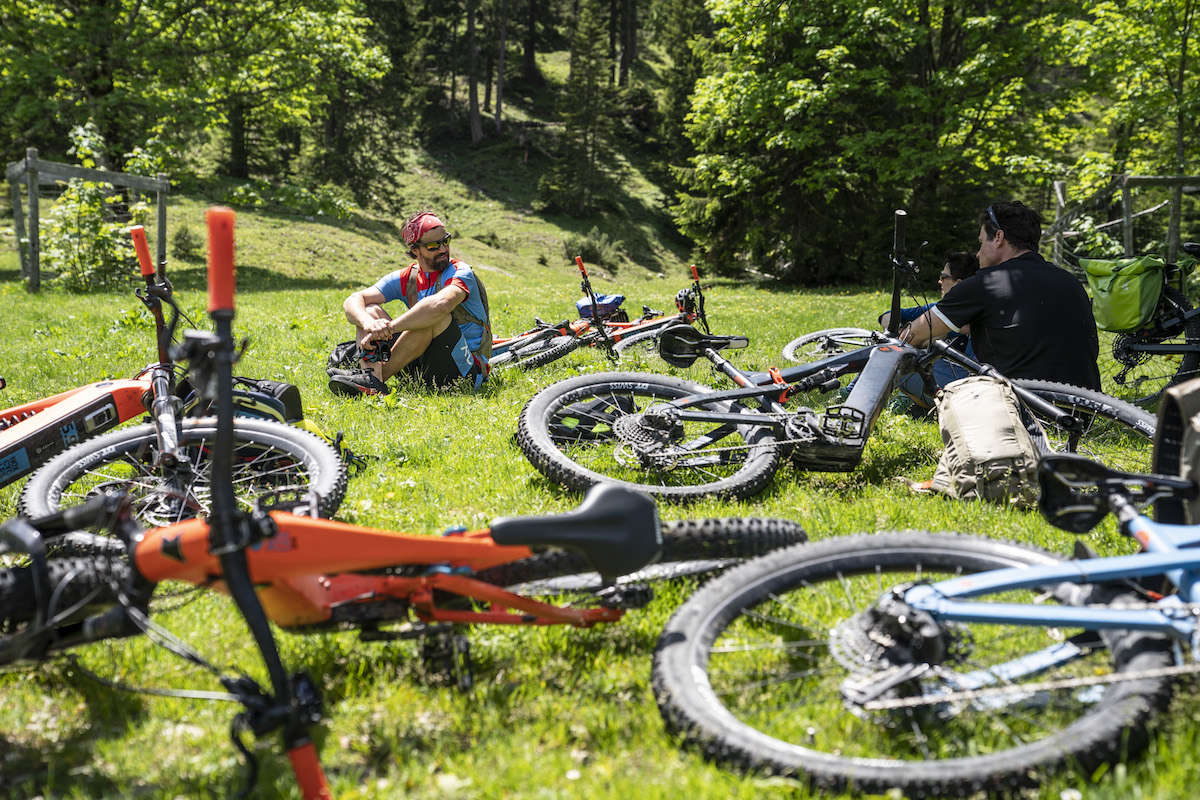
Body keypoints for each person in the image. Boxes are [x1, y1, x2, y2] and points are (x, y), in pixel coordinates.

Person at [902, 200, 1102, 391]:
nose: (978, 254)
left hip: (1023, 410)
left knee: (909, 364)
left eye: (981, 243)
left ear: (998, 237)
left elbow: (913, 335)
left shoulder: (985, 283)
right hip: (1085, 410)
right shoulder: (1069, 281)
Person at [329, 210, 489, 397]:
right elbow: (354, 300)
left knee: (432, 318)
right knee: (370, 310)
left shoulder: (460, 271)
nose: (443, 249)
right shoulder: (408, 277)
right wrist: (369, 324)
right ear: (415, 250)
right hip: (421, 367)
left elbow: (441, 305)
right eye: (433, 246)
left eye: (445, 241)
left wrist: (390, 328)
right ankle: (369, 377)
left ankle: (375, 383)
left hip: (465, 371)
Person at [881, 251, 980, 398]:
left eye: (943, 276)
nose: (939, 281)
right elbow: (887, 316)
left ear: (958, 284)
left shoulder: (979, 315)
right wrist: (918, 339)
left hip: (965, 390)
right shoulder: (938, 310)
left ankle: (853, 392)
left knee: (887, 357)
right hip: (949, 387)